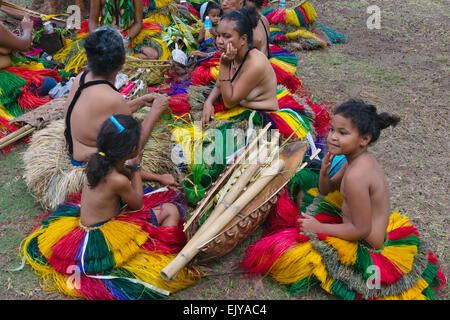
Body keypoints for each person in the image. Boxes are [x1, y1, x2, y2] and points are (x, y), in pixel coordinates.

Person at [298, 99, 400, 249]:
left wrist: (318, 228)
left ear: (364, 139)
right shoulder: (353, 159)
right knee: (302, 194)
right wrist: (324, 173)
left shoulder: (357, 176)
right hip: (354, 228)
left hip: (365, 243)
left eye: (342, 133)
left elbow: (361, 230)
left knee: (297, 247)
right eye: (332, 130)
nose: (332, 137)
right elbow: (328, 189)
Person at [64, 26, 170, 164]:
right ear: (122, 62)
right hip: (88, 161)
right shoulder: (113, 99)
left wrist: (141, 102)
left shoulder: (82, 78)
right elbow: (133, 149)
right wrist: (155, 111)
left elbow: (105, 114)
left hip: (75, 146)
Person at [81, 114, 181, 227]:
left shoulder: (101, 161)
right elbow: (138, 205)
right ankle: (158, 244)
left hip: (91, 222)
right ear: (133, 149)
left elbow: (125, 171)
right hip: (105, 232)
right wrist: (135, 167)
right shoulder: (118, 180)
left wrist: (160, 178)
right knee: (171, 211)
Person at [201, 6, 278, 128]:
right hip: (240, 105)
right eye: (218, 35)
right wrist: (208, 102)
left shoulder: (256, 63)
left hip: (262, 115)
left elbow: (229, 102)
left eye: (227, 36)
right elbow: (219, 85)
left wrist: (225, 66)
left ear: (243, 39)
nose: (220, 41)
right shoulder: (231, 54)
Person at [89, 0, 156, 59]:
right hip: (106, 34)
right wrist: (102, 40)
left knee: (152, 55)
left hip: (129, 33)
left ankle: (125, 59)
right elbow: (93, 23)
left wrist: (127, 39)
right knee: (91, 58)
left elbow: (138, 22)